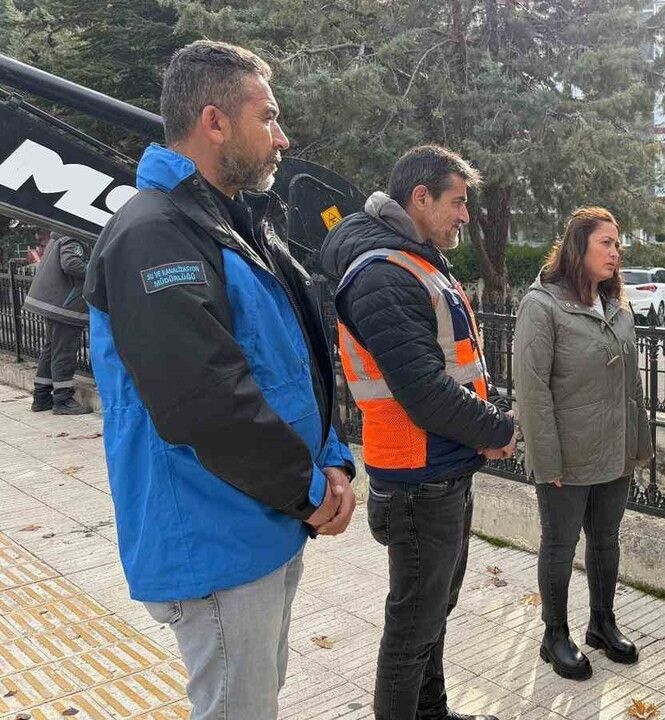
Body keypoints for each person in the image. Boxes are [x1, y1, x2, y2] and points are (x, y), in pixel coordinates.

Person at [83, 41, 356, 719]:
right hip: (215, 542)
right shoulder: (154, 234)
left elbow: (295, 360)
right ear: (214, 122)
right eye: (268, 117)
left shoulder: (233, 222)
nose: (282, 137)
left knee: (255, 698)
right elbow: (206, 401)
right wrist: (310, 486)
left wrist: (334, 459)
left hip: (267, 523)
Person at [319, 144, 514, 720]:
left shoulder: (413, 259)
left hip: (441, 468)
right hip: (416, 475)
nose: (464, 216)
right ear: (419, 197)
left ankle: (433, 712)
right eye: (456, 203)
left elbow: (454, 364)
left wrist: (484, 414)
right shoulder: (382, 272)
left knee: (433, 613)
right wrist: (496, 427)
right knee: (412, 629)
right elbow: (424, 390)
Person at [512, 207, 654, 681]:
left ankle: (602, 622)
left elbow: (631, 386)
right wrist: (546, 459)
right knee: (559, 544)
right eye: (606, 244)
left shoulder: (615, 304)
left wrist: (638, 443)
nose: (616, 253)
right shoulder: (543, 304)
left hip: (614, 452)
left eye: (618, 244)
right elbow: (532, 391)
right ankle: (554, 635)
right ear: (578, 247)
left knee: (606, 540)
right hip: (566, 459)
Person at [24, 231, 92, 414]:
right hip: (65, 306)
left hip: (54, 303)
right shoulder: (74, 237)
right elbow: (71, 264)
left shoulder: (59, 236)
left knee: (51, 349)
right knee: (64, 351)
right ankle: (62, 399)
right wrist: (97, 272)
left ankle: (42, 396)